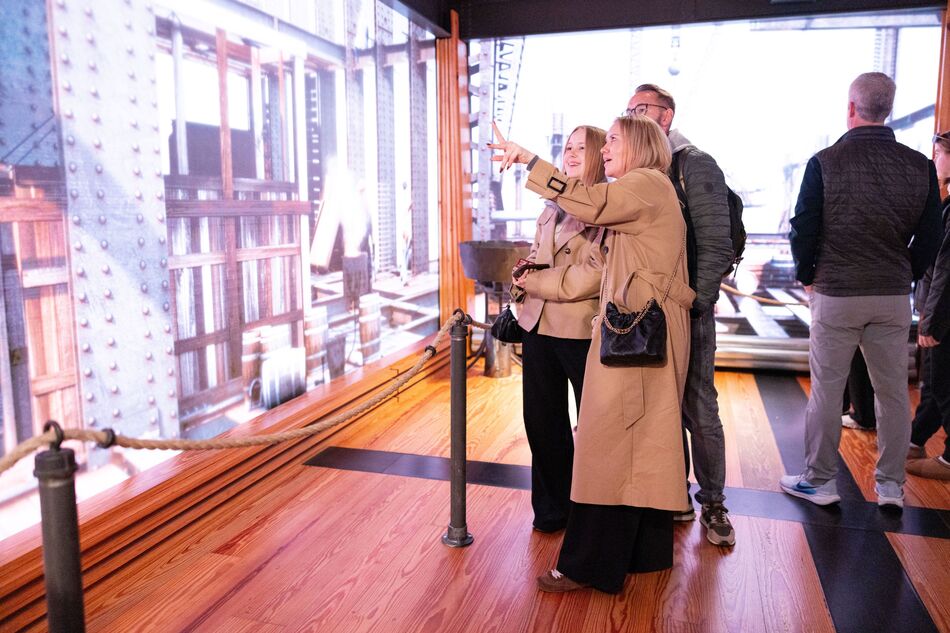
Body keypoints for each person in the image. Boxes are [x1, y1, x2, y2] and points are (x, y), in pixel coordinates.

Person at [491, 115, 695, 594]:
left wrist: (526, 158)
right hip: (643, 332)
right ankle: (644, 553)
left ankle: (585, 565)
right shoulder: (649, 190)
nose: (605, 151)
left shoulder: (643, 185)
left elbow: (590, 202)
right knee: (636, 442)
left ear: (641, 146)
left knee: (607, 446)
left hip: (635, 334)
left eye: (613, 142)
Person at [782, 72, 942, 509]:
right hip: (891, 296)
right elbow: (931, 235)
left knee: (827, 391)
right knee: (892, 393)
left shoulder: (824, 162)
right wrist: (903, 274)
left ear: (851, 108)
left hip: (836, 293)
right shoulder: (920, 166)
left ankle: (820, 481)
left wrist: (807, 274)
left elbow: (805, 227)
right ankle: (890, 486)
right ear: (887, 109)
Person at [625, 83, 736, 546]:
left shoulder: (694, 164)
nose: (632, 116)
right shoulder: (643, 171)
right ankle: (675, 497)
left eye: (641, 109)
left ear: (666, 116)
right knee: (661, 406)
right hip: (650, 311)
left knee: (699, 407)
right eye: (628, 109)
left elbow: (717, 243)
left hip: (688, 309)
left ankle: (714, 503)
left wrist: (698, 302)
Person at [511, 125, 606, 532]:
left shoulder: (607, 205)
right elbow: (540, 252)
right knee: (542, 423)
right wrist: (525, 271)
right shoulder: (552, 204)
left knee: (593, 428)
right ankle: (551, 511)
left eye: (580, 148)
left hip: (581, 329)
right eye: (567, 147)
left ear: (602, 154)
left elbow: (594, 274)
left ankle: (591, 515)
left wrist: (536, 282)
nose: (570, 154)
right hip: (537, 325)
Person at [906, 130, 950, 480]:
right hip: (941, 311)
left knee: (943, 383)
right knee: (936, 382)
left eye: (938, 153)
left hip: (944, 315)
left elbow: (946, 271)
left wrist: (930, 321)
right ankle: (915, 438)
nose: (934, 159)